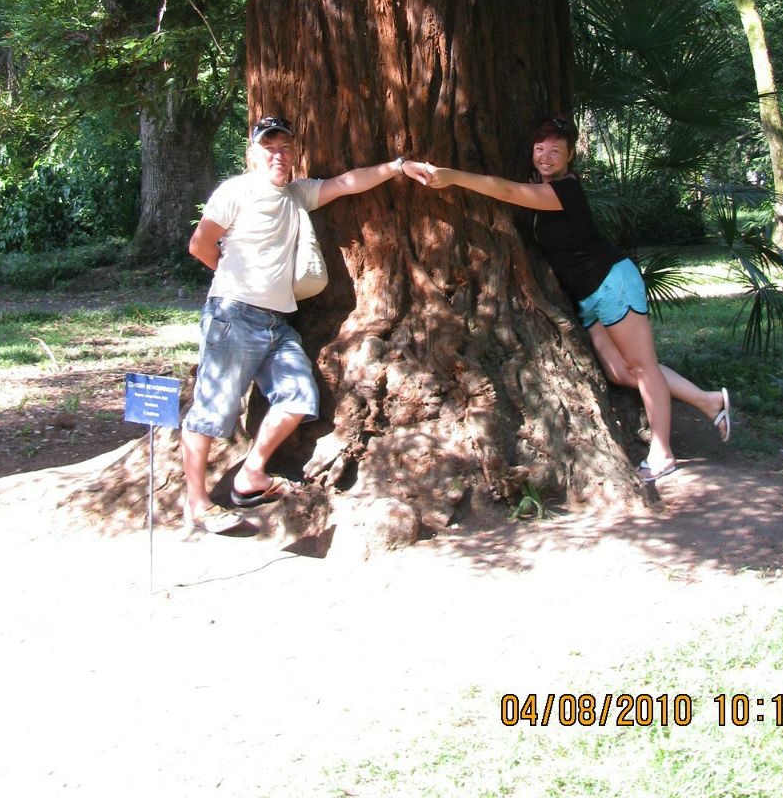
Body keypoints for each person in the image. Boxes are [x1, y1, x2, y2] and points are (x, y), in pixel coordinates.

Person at [419, 116, 730, 482]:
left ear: (569, 158)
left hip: (613, 283)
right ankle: (710, 402)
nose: (546, 157)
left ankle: (663, 453)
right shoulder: (545, 186)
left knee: (642, 367)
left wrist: (453, 176)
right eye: (540, 149)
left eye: (555, 151)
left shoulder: (565, 191)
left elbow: (507, 191)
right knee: (620, 372)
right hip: (587, 298)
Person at [182, 116, 429, 532]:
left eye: (285, 148)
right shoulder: (236, 191)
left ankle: (251, 475)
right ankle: (196, 502)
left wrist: (398, 166)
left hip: (277, 322)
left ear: (294, 152)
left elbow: (348, 182)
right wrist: (231, 281)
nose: (278, 156)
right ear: (253, 153)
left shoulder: (298, 195)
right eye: (269, 148)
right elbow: (200, 244)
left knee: (298, 397)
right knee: (212, 410)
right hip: (234, 315)